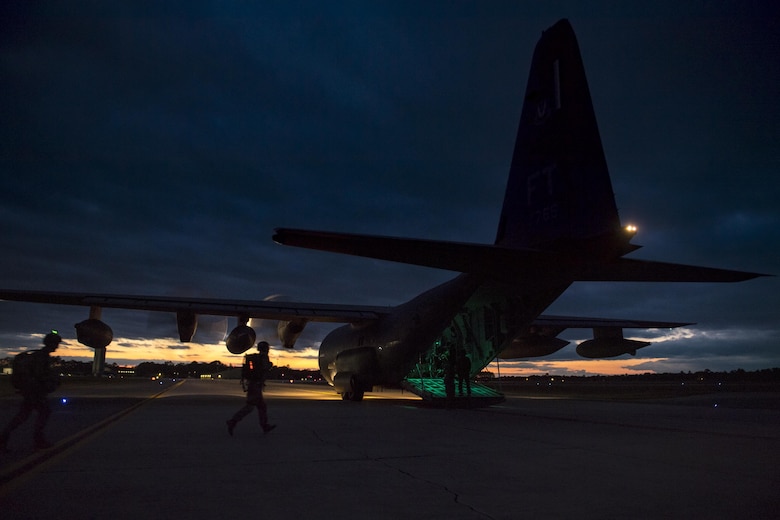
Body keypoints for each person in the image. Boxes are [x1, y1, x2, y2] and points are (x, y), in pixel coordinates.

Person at [1, 331, 62, 452]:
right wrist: (49, 381)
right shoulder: (41, 357)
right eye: (56, 343)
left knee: (23, 416)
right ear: (51, 343)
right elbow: (39, 375)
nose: (57, 346)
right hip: (35, 392)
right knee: (42, 413)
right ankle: (38, 439)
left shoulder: (39, 355)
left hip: (31, 391)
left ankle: (4, 438)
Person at [226, 341, 276, 436]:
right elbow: (265, 368)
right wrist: (270, 364)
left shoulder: (256, 357)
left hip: (253, 384)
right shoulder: (264, 357)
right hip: (256, 385)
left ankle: (264, 426)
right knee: (250, 407)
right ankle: (233, 421)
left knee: (261, 406)